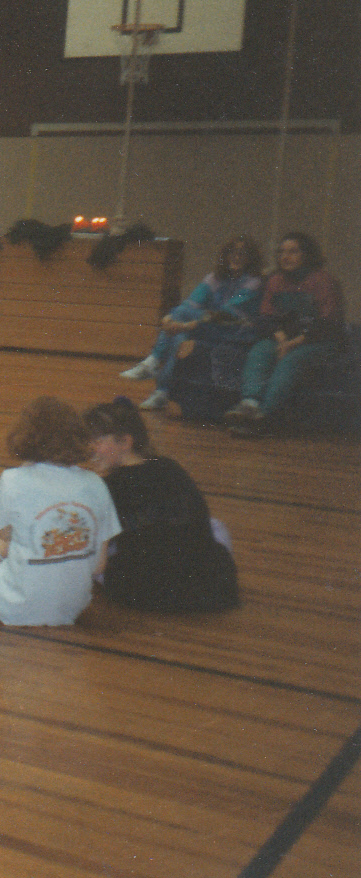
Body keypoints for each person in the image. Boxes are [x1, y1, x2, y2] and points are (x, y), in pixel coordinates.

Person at [0, 396, 120, 627]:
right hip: (72, 610)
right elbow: (98, 566)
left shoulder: (13, 480)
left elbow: (3, 536)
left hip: (11, 607)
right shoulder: (96, 484)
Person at [83, 398, 238, 613]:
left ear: (125, 442)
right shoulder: (170, 467)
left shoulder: (106, 488)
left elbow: (97, 564)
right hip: (213, 588)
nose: (90, 449)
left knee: (100, 547)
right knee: (216, 527)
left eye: (97, 442)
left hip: (146, 592)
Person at [122, 234, 264, 411]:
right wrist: (169, 319)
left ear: (251, 258)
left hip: (234, 333)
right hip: (208, 327)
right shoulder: (215, 278)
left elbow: (225, 316)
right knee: (180, 335)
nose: (236, 257)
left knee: (182, 325)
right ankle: (162, 392)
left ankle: (154, 365)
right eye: (232, 253)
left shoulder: (254, 283)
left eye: (242, 253)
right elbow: (190, 303)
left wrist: (184, 324)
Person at [225, 232, 347, 437]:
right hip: (285, 340)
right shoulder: (275, 281)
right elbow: (266, 317)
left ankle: (265, 416)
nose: (285, 257)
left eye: (293, 252)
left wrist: (293, 344)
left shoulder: (324, 281)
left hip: (319, 342)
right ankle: (249, 404)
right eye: (281, 252)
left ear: (307, 255)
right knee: (260, 351)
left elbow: (328, 324)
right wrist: (281, 339)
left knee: (291, 361)